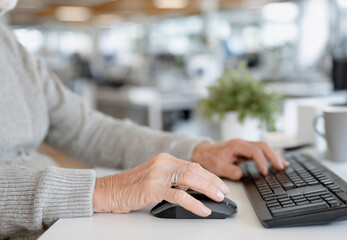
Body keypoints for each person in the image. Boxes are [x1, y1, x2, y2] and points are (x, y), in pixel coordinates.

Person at [0, 0, 288, 239]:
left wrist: (196, 152)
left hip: (58, 226)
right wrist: (101, 190)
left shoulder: (9, 45)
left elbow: (87, 130)